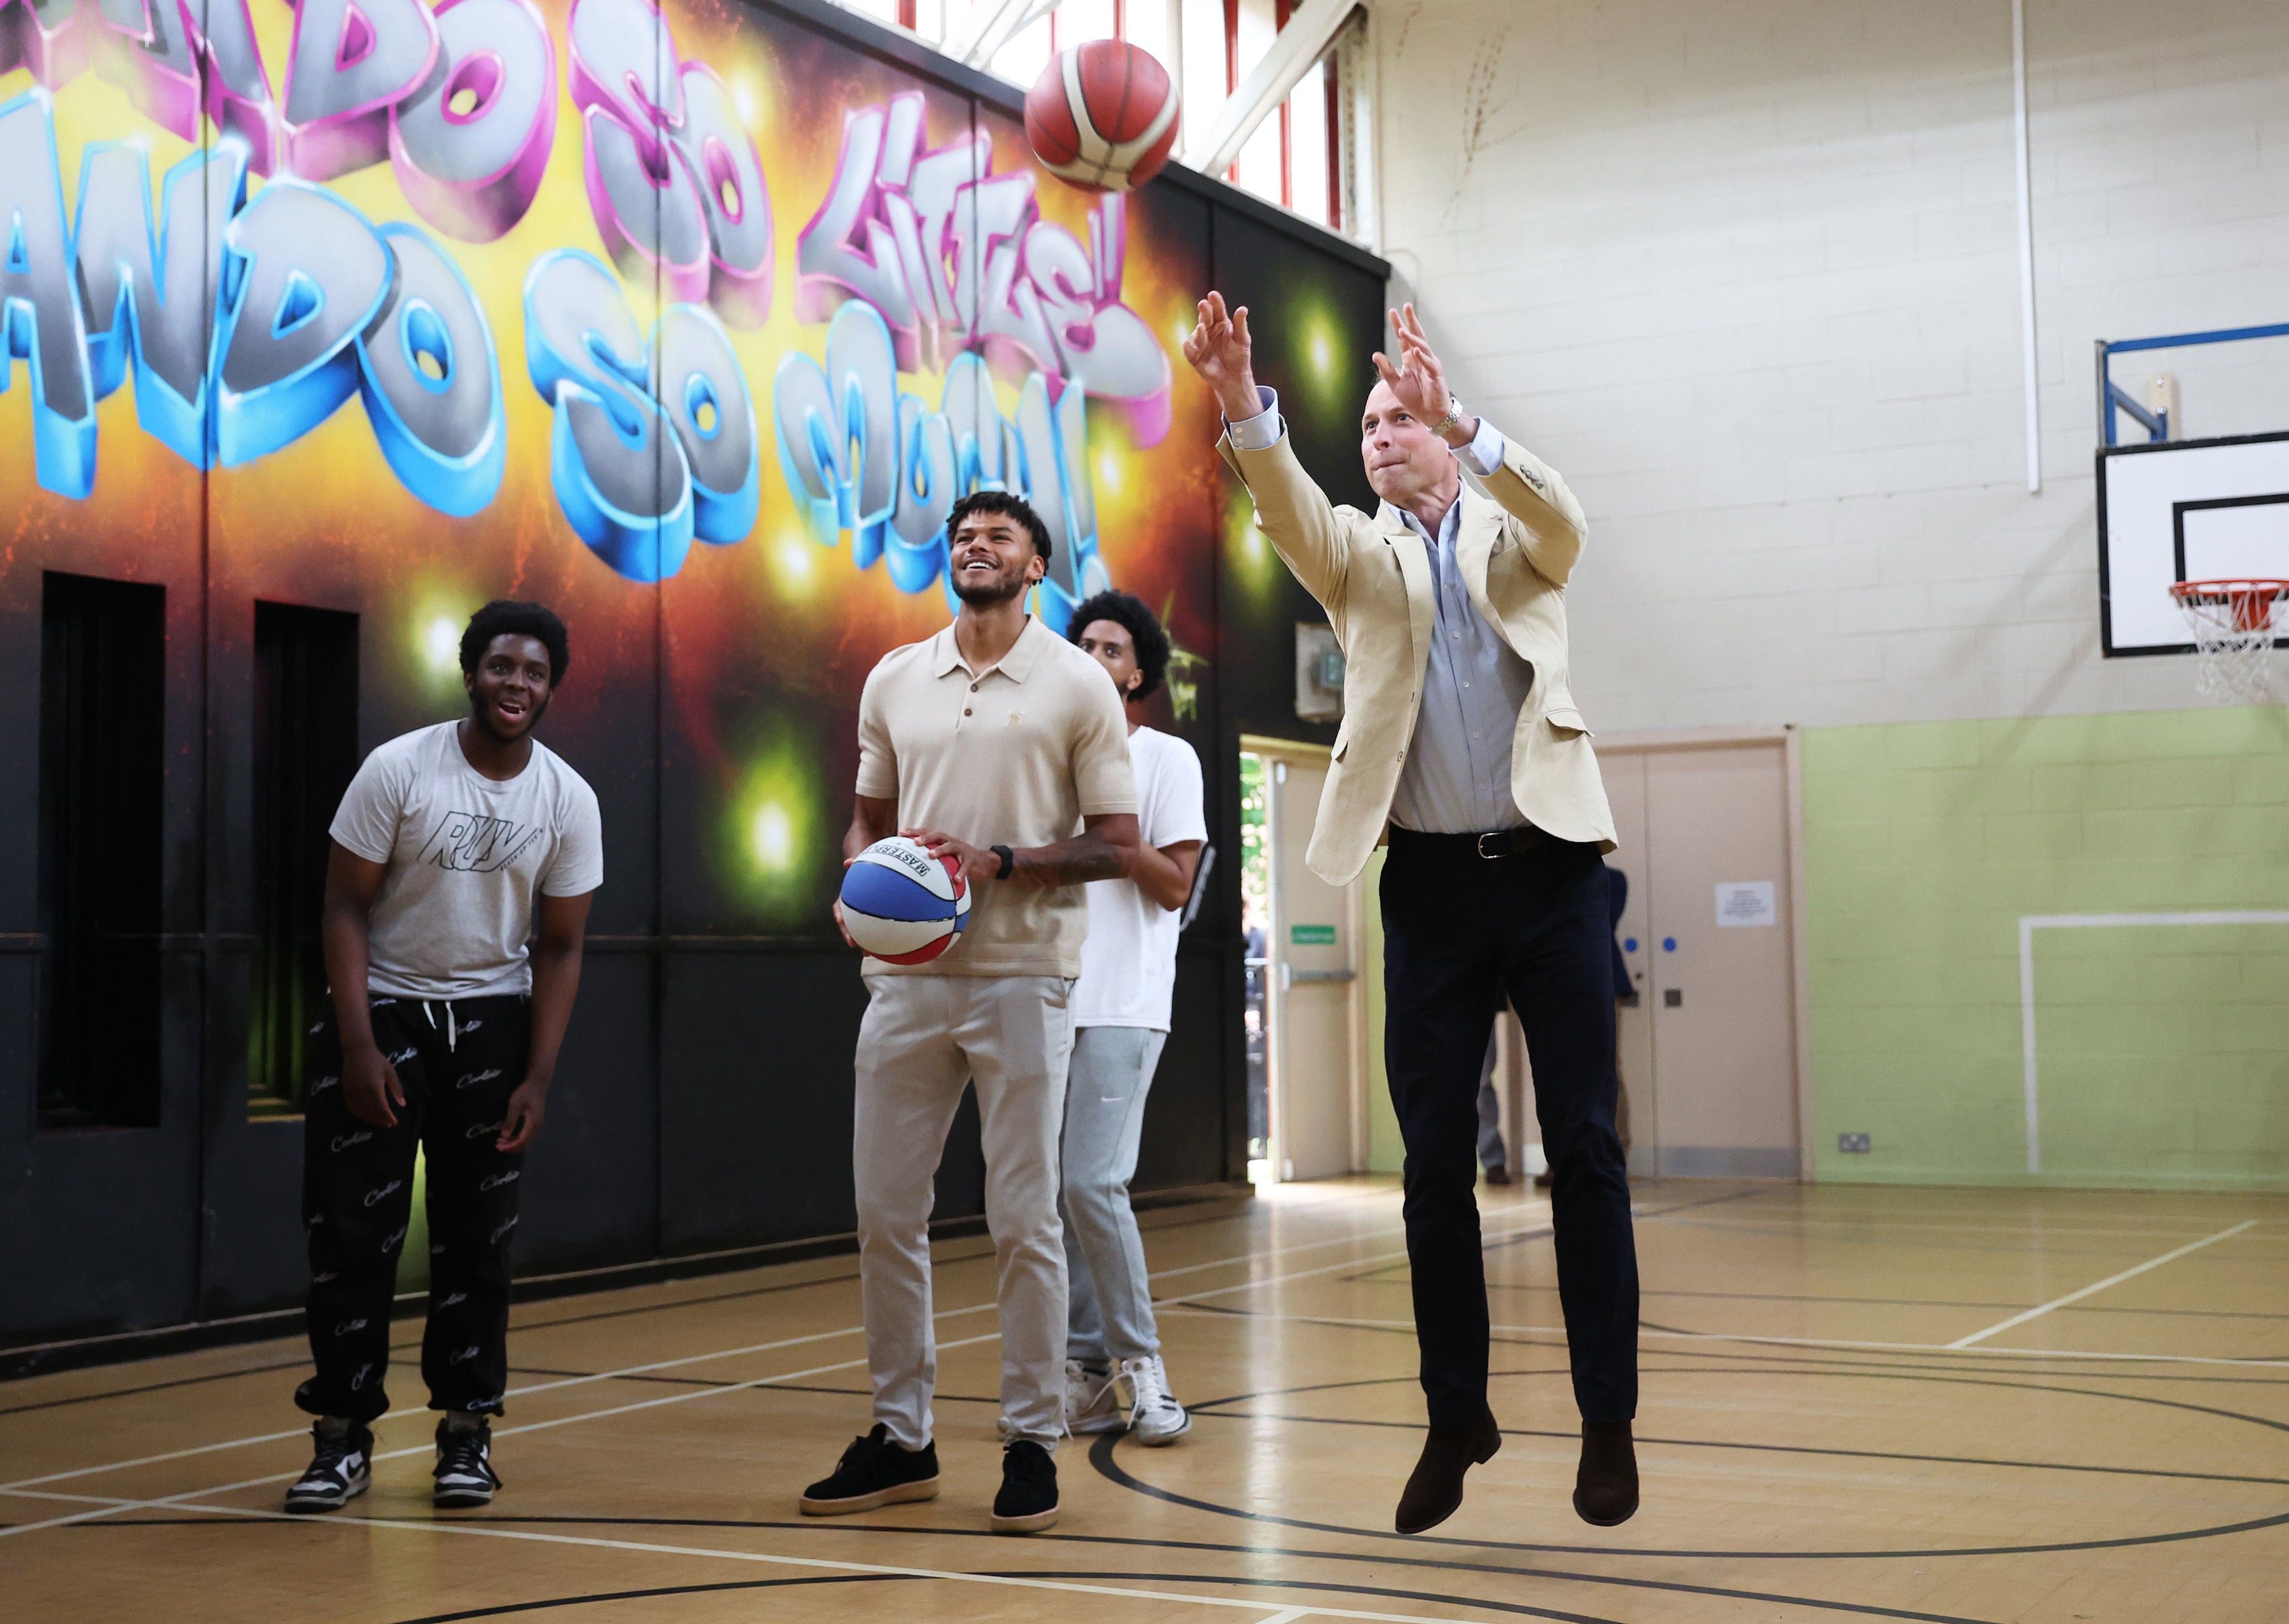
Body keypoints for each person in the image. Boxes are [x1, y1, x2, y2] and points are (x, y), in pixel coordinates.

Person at [1183, 295, 1640, 1533]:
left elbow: (1570, 519)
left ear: (1442, 430)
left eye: (1402, 418)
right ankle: (1457, 1417)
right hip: (1430, 888)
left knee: (1585, 1152)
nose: (1382, 434)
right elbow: (1283, 507)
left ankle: (1607, 1419)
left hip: (1551, 873)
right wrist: (1241, 403)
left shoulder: (1515, 540)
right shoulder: (1354, 555)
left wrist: (1471, 423)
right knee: (1432, 1169)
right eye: (1372, 424)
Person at [801, 491, 1141, 1536]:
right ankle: (902, 1437)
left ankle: (1032, 1438)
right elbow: (866, 817)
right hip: (906, 982)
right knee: (885, 1215)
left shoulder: (1079, 684)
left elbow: (1118, 843)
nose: (975, 547)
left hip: (1023, 976)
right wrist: (862, 873)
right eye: (962, 536)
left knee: (1024, 1219)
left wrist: (1002, 863)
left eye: (998, 536)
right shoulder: (894, 677)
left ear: (1037, 564)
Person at [284, 601, 601, 1515]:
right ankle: (339, 1440)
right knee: (351, 1242)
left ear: (550, 688)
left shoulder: (566, 798)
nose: (517, 685)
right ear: (471, 673)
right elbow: (342, 907)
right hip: (382, 1012)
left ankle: (467, 1435)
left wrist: (538, 1074)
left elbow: (563, 946)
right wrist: (356, 1043)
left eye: (534, 673)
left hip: (493, 1028)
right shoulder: (399, 769)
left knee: (479, 1245)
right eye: (502, 667)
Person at [1061, 591, 1207, 1445]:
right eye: (1083, 644)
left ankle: (1143, 1366)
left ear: (1138, 671)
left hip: (1124, 1001)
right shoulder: (1047, 762)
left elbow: (1176, 885)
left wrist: (1115, 841)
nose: (1094, 655)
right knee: (1059, 1195)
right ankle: (1083, 1374)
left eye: (1111, 647)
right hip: (1047, 996)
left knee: (1091, 1183)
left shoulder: (1166, 759)